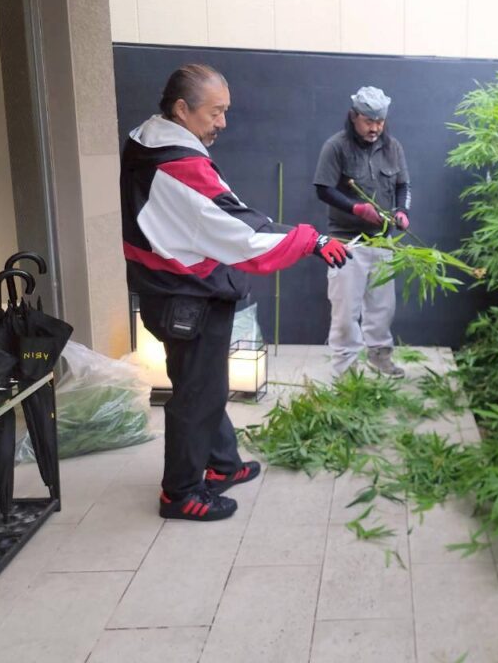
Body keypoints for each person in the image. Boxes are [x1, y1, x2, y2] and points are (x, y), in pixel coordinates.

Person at [120, 64, 351, 522]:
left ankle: (222, 463)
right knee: (197, 394)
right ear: (182, 109)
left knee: (202, 385)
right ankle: (180, 493)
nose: (223, 122)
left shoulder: (146, 140)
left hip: (168, 285)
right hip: (186, 293)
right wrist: (311, 239)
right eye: (215, 112)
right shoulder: (178, 163)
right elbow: (239, 228)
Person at [313, 86, 411, 379]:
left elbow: (403, 186)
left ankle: (380, 357)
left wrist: (402, 211)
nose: (375, 128)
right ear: (353, 116)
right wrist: (355, 208)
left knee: (383, 308)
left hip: (382, 240)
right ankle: (345, 369)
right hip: (346, 242)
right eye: (369, 121)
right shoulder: (336, 146)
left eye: (380, 121)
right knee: (345, 311)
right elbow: (323, 189)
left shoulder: (393, 147)